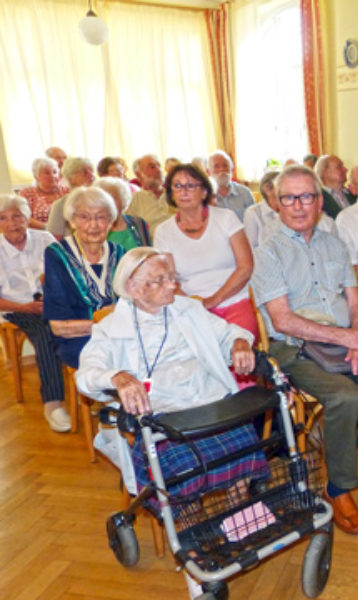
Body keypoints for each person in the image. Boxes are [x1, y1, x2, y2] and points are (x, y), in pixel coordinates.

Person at [74, 248, 265, 600]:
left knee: (245, 446)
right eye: (159, 280)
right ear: (133, 288)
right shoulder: (109, 328)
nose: (171, 286)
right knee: (181, 472)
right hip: (159, 415)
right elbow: (85, 376)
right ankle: (194, 549)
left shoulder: (187, 308)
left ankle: (239, 517)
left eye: (171, 277)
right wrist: (117, 376)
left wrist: (239, 341)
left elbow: (228, 334)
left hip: (208, 402)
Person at [252, 164, 358, 535]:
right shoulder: (267, 252)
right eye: (290, 198)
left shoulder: (334, 243)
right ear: (279, 205)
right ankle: (339, 488)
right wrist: (347, 338)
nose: (299, 205)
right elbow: (282, 320)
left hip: (346, 341)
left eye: (307, 197)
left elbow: (355, 301)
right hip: (294, 349)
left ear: (319, 203)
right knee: (345, 398)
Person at [153, 163, 257, 342]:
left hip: (235, 301)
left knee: (238, 354)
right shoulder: (164, 232)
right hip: (190, 309)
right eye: (177, 186)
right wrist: (194, 307)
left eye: (191, 185)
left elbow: (245, 267)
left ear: (204, 192)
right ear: (171, 193)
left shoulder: (226, 218)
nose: (184, 191)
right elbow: (169, 281)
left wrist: (214, 300)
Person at [0, 194, 67, 432]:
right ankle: (53, 403)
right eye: (3, 218)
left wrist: (53, 294)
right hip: (15, 307)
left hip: (52, 302)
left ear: (27, 217)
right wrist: (24, 307)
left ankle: (89, 388)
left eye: (17, 215)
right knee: (45, 332)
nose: (12, 223)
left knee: (84, 325)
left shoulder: (44, 238)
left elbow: (63, 274)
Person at [43, 187, 124, 369]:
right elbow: (59, 327)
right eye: (84, 217)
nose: (93, 225)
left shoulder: (120, 254)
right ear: (72, 221)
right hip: (80, 340)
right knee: (118, 360)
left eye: (101, 217)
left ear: (111, 222)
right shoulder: (57, 255)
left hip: (121, 335)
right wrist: (109, 324)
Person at [93, 177, 151, 252]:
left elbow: (150, 254)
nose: (108, 203)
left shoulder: (138, 223)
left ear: (123, 199)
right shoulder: (92, 229)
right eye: (103, 198)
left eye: (113, 197)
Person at [45, 157, 97, 238]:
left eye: (91, 171)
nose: (91, 175)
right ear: (70, 179)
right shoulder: (60, 205)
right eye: (84, 172)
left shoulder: (103, 201)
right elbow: (55, 238)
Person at [18, 157, 69, 230]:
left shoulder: (66, 191)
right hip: (39, 232)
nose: (52, 176)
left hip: (65, 232)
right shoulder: (27, 193)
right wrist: (47, 228)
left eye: (55, 172)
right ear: (36, 176)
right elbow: (23, 216)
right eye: (47, 173)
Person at [126, 154, 172, 229]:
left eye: (159, 166)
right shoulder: (134, 201)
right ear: (139, 174)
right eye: (152, 167)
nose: (158, 170)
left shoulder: (174, 194)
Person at [208, 150, 255, 222]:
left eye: (225, 166)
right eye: (216, 166)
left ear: (232, 169)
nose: (222, 170)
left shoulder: (245, 193)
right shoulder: (205, 196)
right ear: (208, 172)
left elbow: (255, 220)